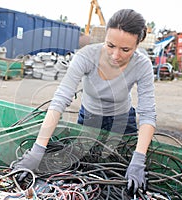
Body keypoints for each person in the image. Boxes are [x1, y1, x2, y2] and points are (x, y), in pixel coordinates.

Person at [12, 8, 156, 194]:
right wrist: (37, 150)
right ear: (105, 37)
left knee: (120, 171)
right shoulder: (86, 56)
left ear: (138, 44)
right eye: (110, 45)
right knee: (86, 170)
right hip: (89, 117)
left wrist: (138, 159)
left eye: (125, 49)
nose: (115, 55)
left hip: (123, 119)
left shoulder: (142, 65)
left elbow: (147, 113)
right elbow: (60, 99)